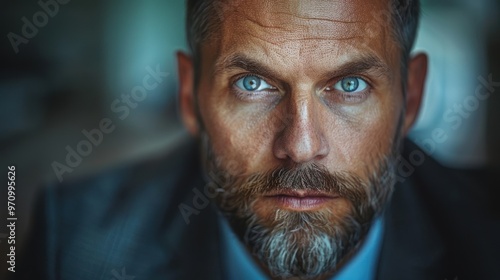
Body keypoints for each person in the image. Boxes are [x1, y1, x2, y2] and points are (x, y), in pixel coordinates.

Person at [15, 0, 499, 279]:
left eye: (349, 85)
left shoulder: (486, 235)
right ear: (189, 96)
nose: (301, 145)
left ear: (410, 98)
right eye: (252, 84)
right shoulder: (73, 241)